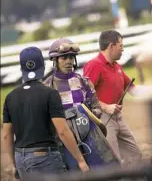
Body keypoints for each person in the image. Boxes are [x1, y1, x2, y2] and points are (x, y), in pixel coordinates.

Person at [2, 46, 89, 180]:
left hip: (21, 158)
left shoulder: (10, 97)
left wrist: (14, 164)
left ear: (22, 68)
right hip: (45, 156)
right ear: (42, 67)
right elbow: (62, 130)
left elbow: (7, 135)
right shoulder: (50, 94)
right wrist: (80, 160)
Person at [43, 38, 119, 169]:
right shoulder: (47, 86)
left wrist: (86, 115)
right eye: (64, 58)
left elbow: (97, 108)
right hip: (64, 143)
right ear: (55, 61)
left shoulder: (84, 82)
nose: (68, 61)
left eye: (71, 57)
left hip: (89, 137)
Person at [83, 30, 142, 165]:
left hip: (118, 117)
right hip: (103, 119)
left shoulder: (117, 66)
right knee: (113, 161)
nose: (122, 49)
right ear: (111, 46)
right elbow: (85, 94)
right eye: (120, 45)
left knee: (135, 154)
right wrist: (105, 107)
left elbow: (132, 89)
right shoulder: (94, 65)